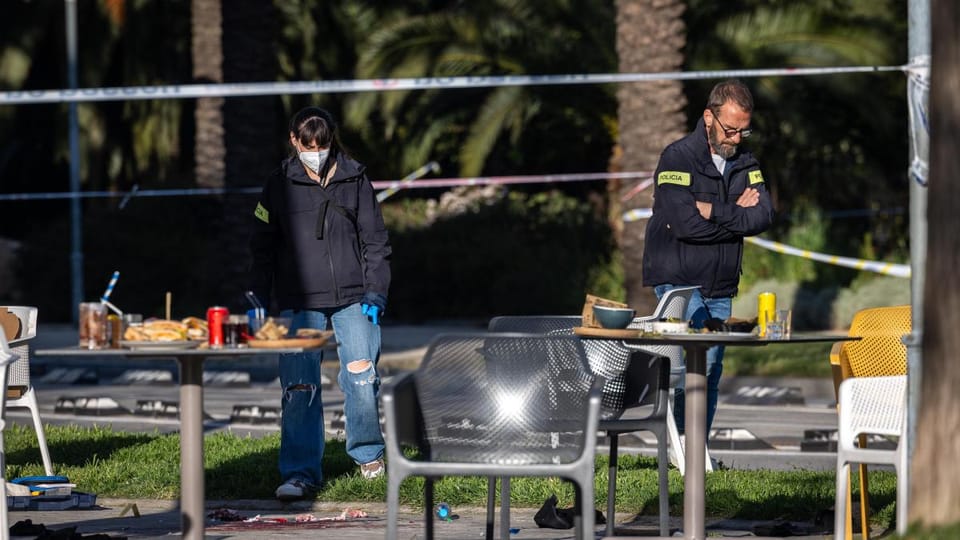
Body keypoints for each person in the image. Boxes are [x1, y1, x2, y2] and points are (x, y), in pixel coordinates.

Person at [249, 106, 392, 501]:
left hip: (353, 300)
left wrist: (376, 293)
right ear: (294, 141)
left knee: (362, 379)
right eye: (307, 145)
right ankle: (299, 473)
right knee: (299, 388)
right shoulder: (277, 184)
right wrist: (258, 300)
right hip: (299, 303)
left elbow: (376, 241)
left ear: (332, 141)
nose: (316, 151)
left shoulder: (355, 177)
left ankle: (368, 457)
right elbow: (261, 249)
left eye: (323, 144)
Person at [641, 79, 774, 435]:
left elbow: (762, 216)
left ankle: (696, 451)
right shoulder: (677, 157)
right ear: (708, 117)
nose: (735, 138)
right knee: (699, 358)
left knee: (712, 369)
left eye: (743, 132)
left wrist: (711, 209)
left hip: (720, 283)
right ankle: (682, 448)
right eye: (730, 129)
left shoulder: (746, 162)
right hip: (678, 277)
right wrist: (734, 214)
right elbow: (684, 226)